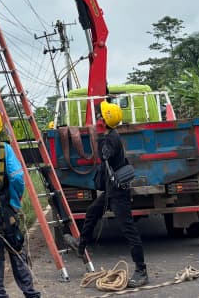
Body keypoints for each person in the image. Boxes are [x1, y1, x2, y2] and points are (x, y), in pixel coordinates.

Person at [71, 101, 148, 288]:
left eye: (100, 116)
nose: (97, 118)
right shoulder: (111, 135)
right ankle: (80, 245)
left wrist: (98, 137)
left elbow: (103, 155)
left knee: (128, 230)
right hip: (111, 191)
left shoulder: (111, 138)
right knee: (92, 212)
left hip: (118, 193)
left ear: (105, 121)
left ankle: (141, 270)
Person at [0, 106, 40, 298]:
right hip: (7, 211)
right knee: (16, 249)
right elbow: (17, 178)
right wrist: (15, 202)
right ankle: (30, 292)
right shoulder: (5, 150)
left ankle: (0, 295)